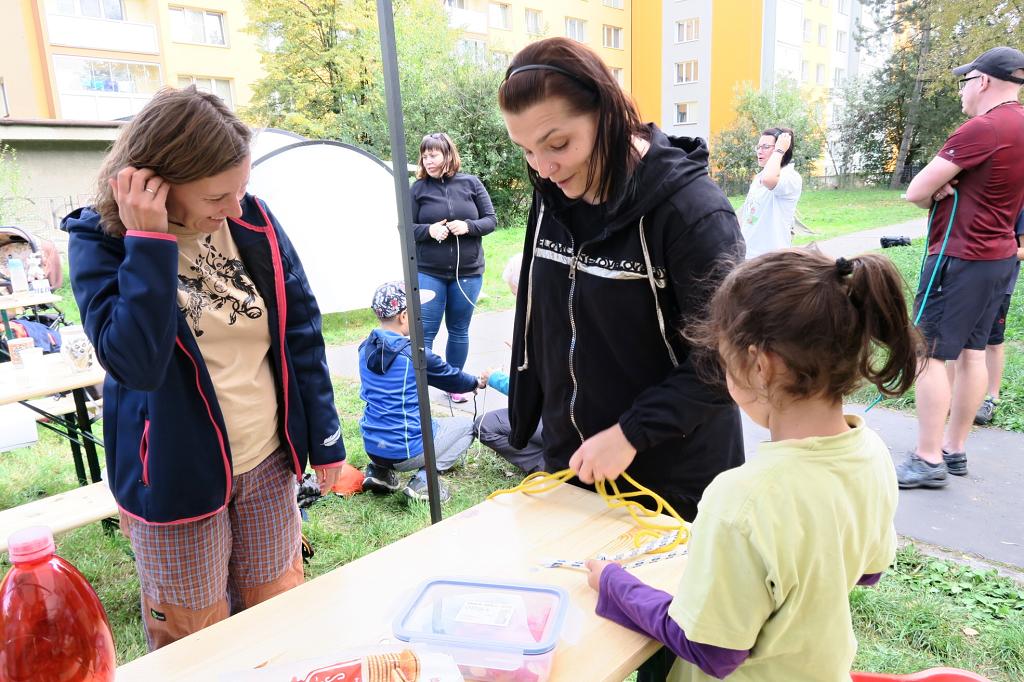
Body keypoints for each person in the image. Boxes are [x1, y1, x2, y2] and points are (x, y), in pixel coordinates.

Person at [62, 86, 346, 649]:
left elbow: (301, 331)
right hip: (174, 479)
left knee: (278, 612)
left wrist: (327, 437)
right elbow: (136, 364)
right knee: (198, 640)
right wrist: (150, 240)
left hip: (267, 460)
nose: (235, 208)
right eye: (219, 195)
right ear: (156, 184)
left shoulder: (253, 222)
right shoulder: (102, 242)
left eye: (242, 188)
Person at [586, 249, 921, 681]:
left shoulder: (742, 501)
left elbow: (712, 650)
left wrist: (614, 585)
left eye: (725, 362)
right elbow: (868, 572)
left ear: (761, 366)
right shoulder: (870, 451)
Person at [498, 37, 745, 525]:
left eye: (558, 144)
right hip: (573, 465)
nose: (543, 169)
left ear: (607, 113)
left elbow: (729, 356)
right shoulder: (551, 189)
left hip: (675, 479)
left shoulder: (693, 212)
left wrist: (632, 432)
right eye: (526, 150)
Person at [899, 46, 1024, 487]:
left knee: (929, 354)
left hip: (960, 257)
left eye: (965, 81)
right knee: (972, 354)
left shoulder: (983, 128)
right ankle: (954, 450)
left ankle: (927, 458)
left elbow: (915, 190)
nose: (963, 91)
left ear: (984, 81)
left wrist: (938, 189)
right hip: (1000, 259)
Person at [358, 281, 489, 503]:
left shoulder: (365, 347)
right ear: (403, 316)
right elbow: (451, 378)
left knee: (403, 416)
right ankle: (424, 481)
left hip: (372, 444)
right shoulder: (415, 354)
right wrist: (476, 382)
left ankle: (379, 472)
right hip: (405, 450)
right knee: (467, 427)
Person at [411, 132, 496, 404]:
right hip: (428, 272)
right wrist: (429, 230)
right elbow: (407, 228)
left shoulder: (471, 183)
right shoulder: (417, 188)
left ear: (447, 155)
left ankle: (455, 384)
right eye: (424, 155)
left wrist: (468, 226)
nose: (428, 160)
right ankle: (419, 387)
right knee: (426, 333)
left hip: (468, 273)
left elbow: (491, 220)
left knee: (459, 329)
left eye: (433, 154)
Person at [975, 209, 1024, 425]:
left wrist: (991, 252)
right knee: (959, 341)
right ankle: (950, 395)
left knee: (993, 342)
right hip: (967, 282)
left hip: (999, 286)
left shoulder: (1019, 206)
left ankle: (991, 398)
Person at [737, 127, 801, 260]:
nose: (759, 151)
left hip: (771, 260)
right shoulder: (759, 177)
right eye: (758, 147)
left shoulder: (790, 177)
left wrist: (779, 151)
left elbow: (769, 179)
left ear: (782, 148)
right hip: (748, 256)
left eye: (765, 147)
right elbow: (749, 216)